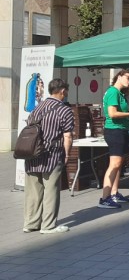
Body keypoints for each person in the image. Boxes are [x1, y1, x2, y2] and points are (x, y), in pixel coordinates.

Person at [23, 78, 74, 234]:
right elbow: (68, 136)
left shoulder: (37, 109)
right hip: (52, 155)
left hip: (31, 154)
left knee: (33, 191)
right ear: (62, 91)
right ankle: (48, 225)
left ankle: (30, 223)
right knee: (51, 190)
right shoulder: (64, 110)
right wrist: (66, 154)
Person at [98, 70, 129, 209]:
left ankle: (114, 193)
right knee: (114, 164)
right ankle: (105, 198)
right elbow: (112, 113)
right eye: (128, 78)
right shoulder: (113, 92)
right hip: (114, 131)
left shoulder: (120, 94)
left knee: (118, 163)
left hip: (121, 130)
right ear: (119, 76)